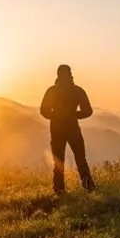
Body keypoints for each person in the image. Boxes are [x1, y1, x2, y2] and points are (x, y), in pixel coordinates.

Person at [39, 64, 95, 194]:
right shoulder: (77, 91)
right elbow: (88, 111)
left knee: (58, 161)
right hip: (73, 128)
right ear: (70, 74)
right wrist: (74, 115)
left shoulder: (52, 91)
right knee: (81, 159)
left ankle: (59, 190)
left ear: (58, 74)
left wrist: (54, 116)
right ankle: (89, 187)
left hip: (56, 129)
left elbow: (43, 110)